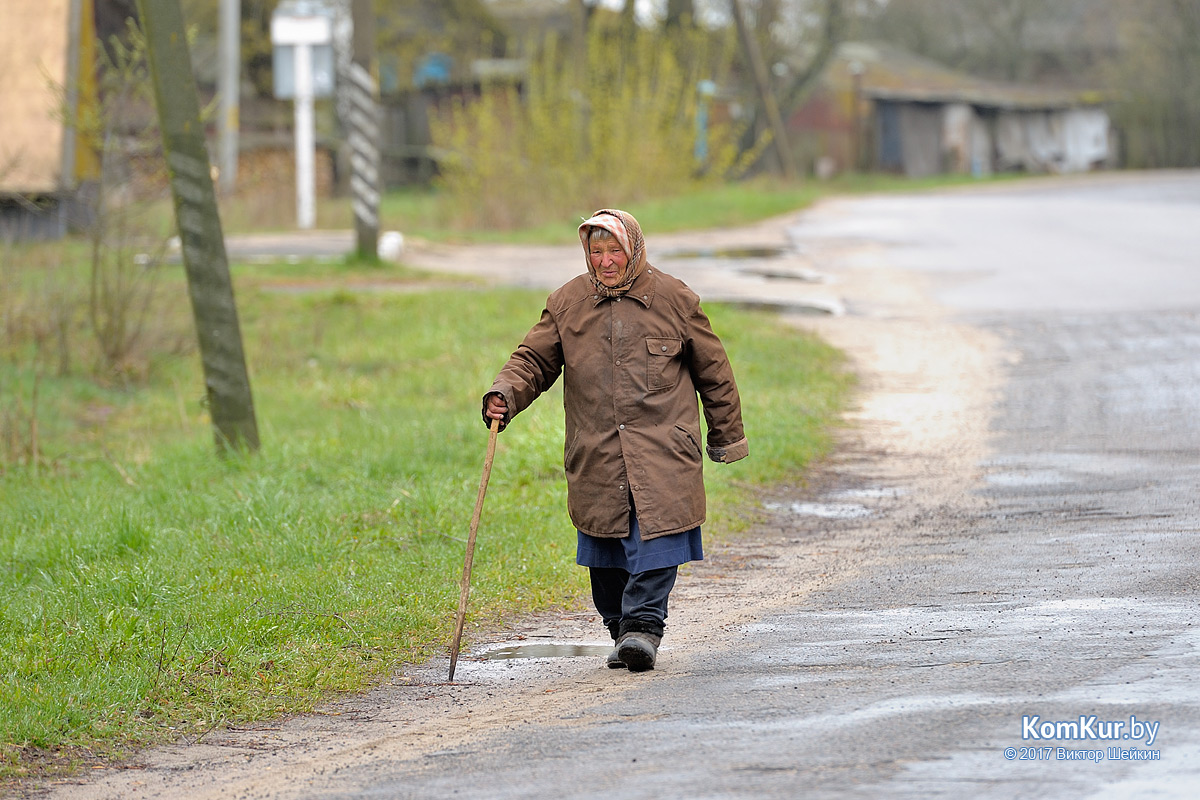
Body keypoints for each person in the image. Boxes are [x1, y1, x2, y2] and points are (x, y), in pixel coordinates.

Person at [482, 208, 748, 672]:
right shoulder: (567, 303)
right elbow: (532, 360)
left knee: (657, 542)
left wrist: (727, 436)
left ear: (634, 250)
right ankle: (621, 629)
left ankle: (643, 628)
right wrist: (505, 393)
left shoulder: (674, 299)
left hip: (664, 449)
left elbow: (715, 372)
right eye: (595, 251)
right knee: (605, 554)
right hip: (597, 449)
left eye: (614, 250)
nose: (604, 261)